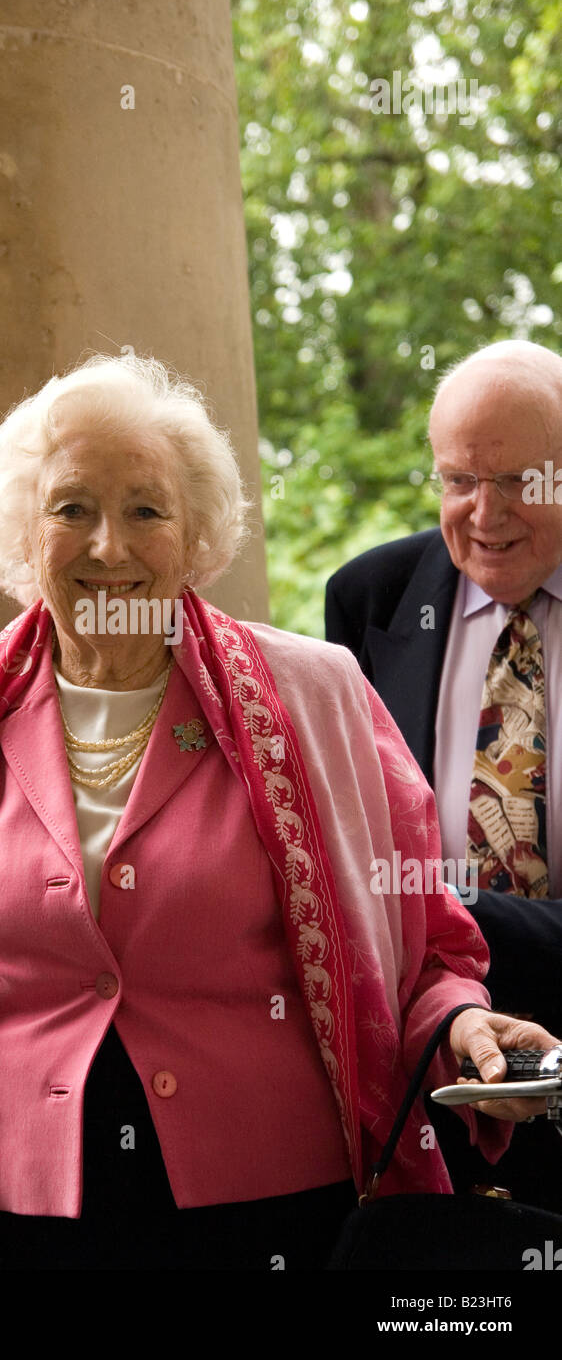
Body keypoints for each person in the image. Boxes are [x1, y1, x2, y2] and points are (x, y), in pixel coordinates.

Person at [0, 351, 556, 1272]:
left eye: (145, 510)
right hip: (14, 1223)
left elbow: (424, 940)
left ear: (195, 529)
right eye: (71, 508)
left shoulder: (313, 696)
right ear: (23, 527)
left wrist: (457, 1021)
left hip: (271, 1215)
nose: (108, 548)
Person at [326, 338, 562, 1207]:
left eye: (519, 483)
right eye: (460, 480)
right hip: (438, 1077)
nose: (485, 511)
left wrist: (448, 914)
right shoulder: (369, 598)